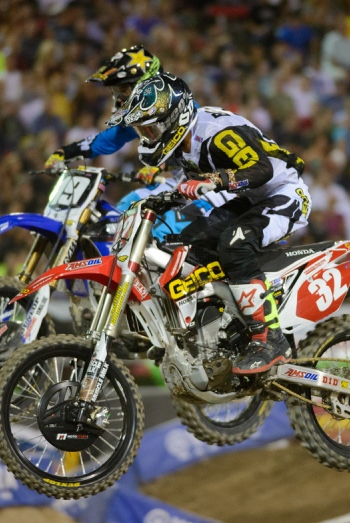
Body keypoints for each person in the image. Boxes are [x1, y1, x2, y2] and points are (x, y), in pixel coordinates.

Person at [114, 72, 310, 375]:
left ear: (173, 119)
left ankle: (269, 339)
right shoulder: (184, 142)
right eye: (143, 131)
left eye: (151, 129)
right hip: (251, 198)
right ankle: (223, 329)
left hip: (284, 195)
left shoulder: (217, 135)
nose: (148, 137)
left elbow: (262, 170)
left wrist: (217, 180)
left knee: (235, 244)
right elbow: (187, 182)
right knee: (186, 244)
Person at [44, 45, 162, 174]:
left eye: (123, 89)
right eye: (117, 90)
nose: (119, 97)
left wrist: (162, 168)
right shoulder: (136, 120)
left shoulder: (173, 105)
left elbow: (174, 147)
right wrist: (65, 153)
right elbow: (101, 142)